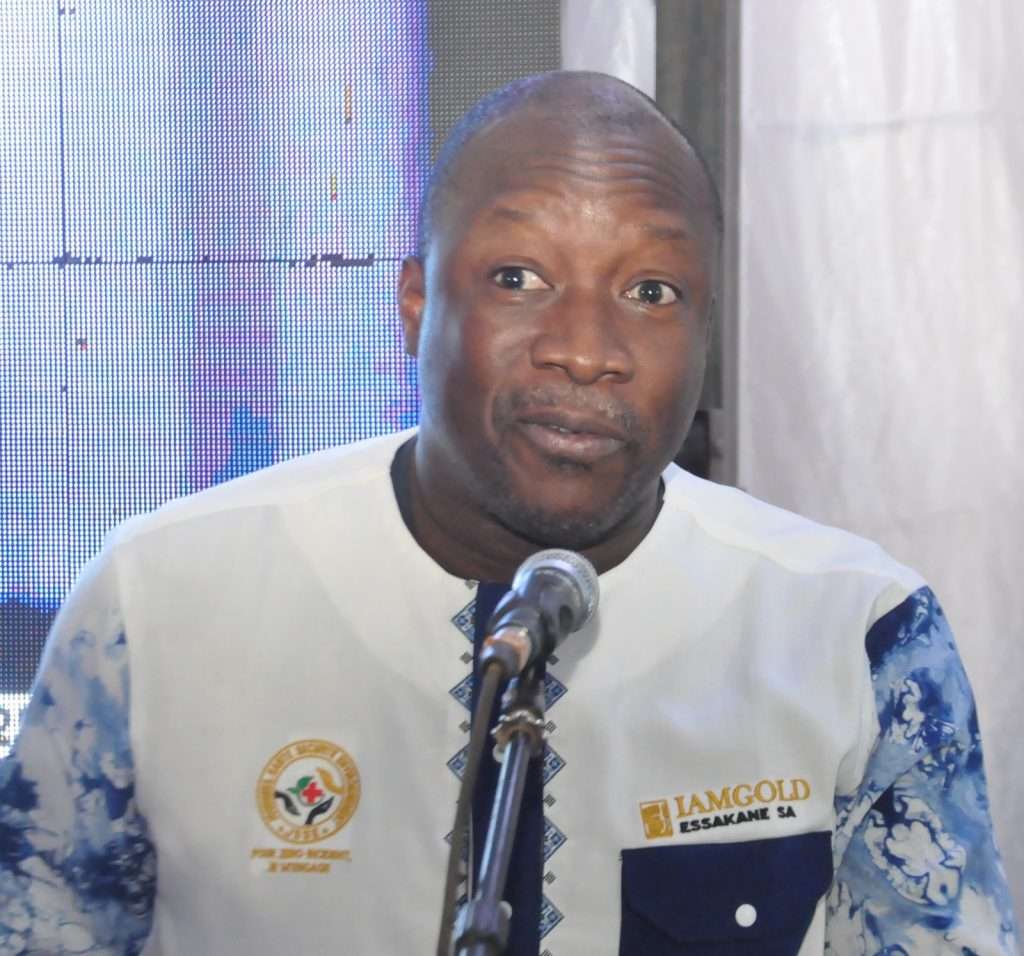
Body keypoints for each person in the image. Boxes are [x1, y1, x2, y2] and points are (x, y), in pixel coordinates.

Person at [0, 71, 1017, 955]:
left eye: (651, 291)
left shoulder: (855, 632)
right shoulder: (158, 601)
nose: (585, 349)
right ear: (414, 302)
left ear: (707, 330)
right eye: (517, 277)